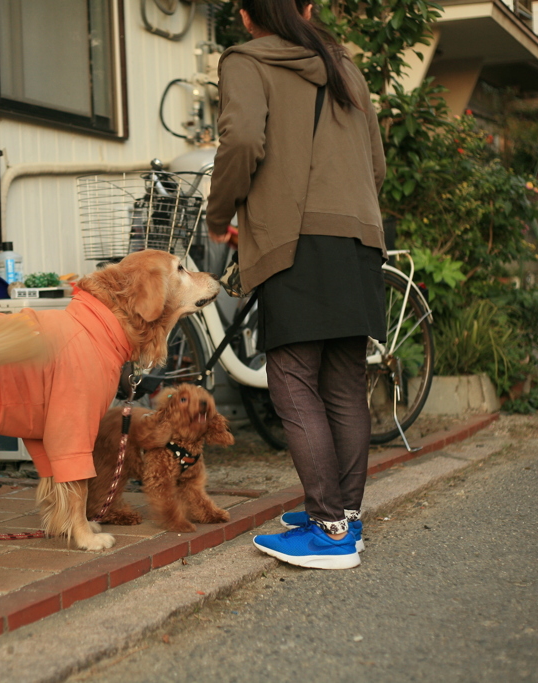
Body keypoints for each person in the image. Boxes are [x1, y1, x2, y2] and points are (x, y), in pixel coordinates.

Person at [206, 0, 386, 569]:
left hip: (296, 241)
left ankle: (329, 532)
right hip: (358, 238)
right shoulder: (343, 64)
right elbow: (375, 162)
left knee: (292, 382)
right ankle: (343, 518)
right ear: (307, 8)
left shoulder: (247, 60)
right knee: (343, 384)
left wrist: (220, 215)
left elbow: (240, 143)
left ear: (244, 13)